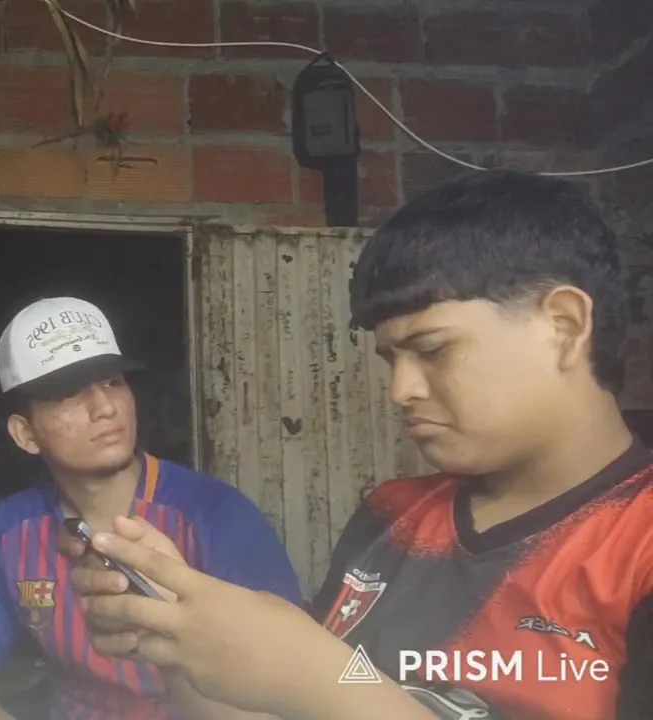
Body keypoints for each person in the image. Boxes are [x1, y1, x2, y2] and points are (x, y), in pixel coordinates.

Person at [64, 170, 653, 720]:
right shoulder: (394, 515)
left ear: (563, 328)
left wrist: (324, 678)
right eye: (391, 359)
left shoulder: (636, 546)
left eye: (433, 350)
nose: (401, 389)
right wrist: (179, 633)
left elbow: (326, 691)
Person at [0, 296, 302, 720]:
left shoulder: (217, 516)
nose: (105, 408)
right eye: (68, 394)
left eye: (112, 383)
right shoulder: (14, 529)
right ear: (26, 434)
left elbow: (288, 683)